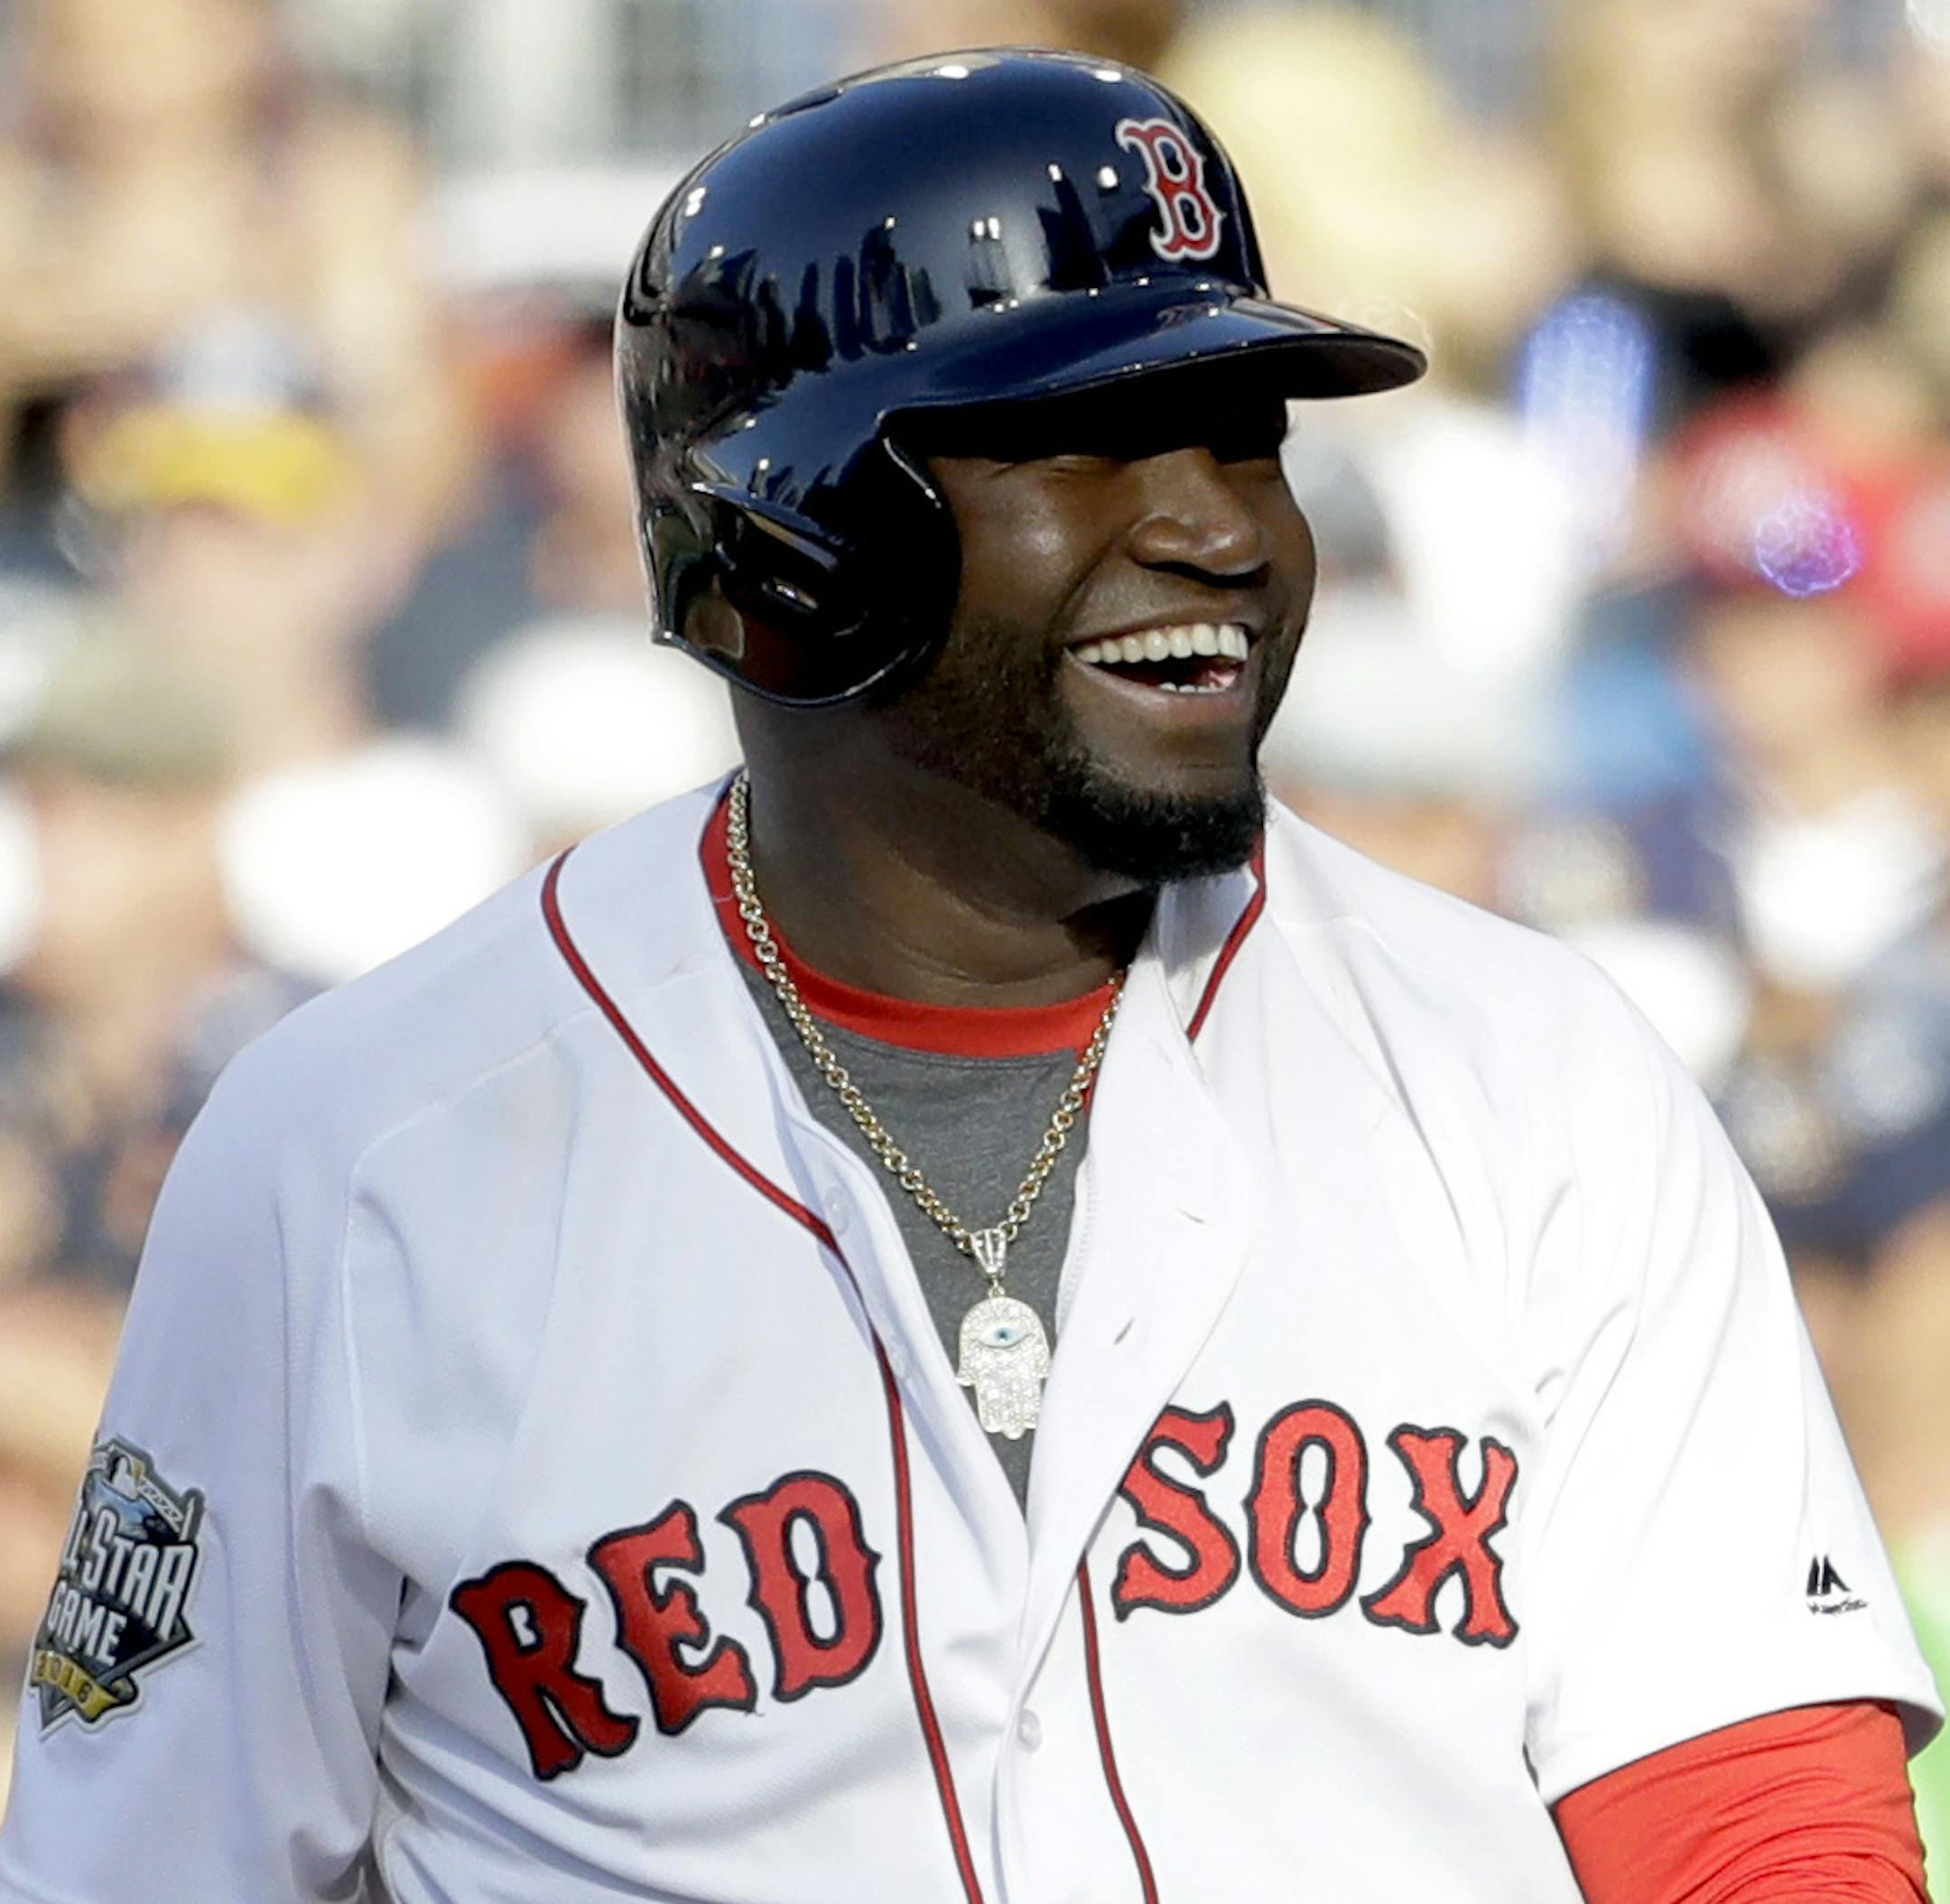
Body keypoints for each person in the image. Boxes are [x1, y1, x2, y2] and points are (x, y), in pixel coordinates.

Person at [0, 48, 1939, 1903]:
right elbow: (148, 1857)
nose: (1219, 528)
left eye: (1241, 439)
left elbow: (1764, 1821)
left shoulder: (1535, 1082)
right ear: (789, 546)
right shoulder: (366, 1150)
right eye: (1081, 444)